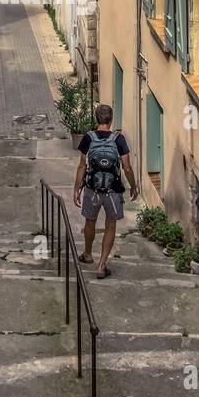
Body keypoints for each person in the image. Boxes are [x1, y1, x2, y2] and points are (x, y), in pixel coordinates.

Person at [73, 104, 138, 278]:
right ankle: (102, 265)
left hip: (92, 190)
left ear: (96, 119)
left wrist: (76, 189)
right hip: (113, 191)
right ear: (110, 120)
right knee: (110, 225)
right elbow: (127, 167)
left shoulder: (88, 138)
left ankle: (87, 254)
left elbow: (82, 165)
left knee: (90, 222)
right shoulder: (119, 139)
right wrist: (133, 186)